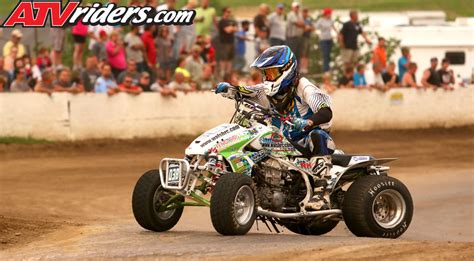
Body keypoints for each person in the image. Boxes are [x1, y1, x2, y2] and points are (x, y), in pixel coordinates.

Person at [215, 45, 335, 210]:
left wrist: (308, 122)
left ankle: (322, 194)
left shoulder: (305, 87)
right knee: (255, 139)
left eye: (271, 73)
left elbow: (326, 112)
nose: (267, 78)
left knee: (317, 134)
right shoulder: (265, 91)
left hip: (308, 143)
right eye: (265, 74)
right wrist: (230, 89)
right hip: (283, 143)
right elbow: (246, 91)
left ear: (287, 69)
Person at [217, 7, 238, 78]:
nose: (229, 13)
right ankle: (222, 72)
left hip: (231, 42)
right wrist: (232, 28)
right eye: (228, 11)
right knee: (223, 58)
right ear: (224, 12)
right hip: (224, 42)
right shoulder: (222, 21)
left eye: (230, 11)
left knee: (230, 58)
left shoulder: (232, 21)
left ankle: (228, 73)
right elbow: (227, 30)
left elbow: (236, 29)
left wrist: (231, 28)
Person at [315, 8, 338, 72]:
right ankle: (325, 69)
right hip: (323, 39)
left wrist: (337, 34)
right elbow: (315, 27)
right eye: (329, 13)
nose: (330, 14)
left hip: (329, 39)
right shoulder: (321, 20)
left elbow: (333, 27)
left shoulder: (330, 20)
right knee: (325, 54)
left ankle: (328, 68)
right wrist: (318, 34)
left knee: (328, 54)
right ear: (326, 14)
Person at [300, 8, 314, 74]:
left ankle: (305, 68)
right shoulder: (300, 19)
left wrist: (308, 28)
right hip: (303, 37)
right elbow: (303, 29)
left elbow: (313, 28)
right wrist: (307, 28)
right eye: (304, 12)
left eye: (306, 12)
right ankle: (302, 67)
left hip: (308, 37)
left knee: (307, 53)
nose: (305, 14)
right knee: (303, 53)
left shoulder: (309, 20)